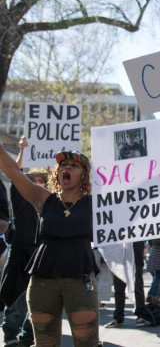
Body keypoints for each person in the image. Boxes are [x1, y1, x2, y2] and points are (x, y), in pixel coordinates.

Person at [0, 147, 101, 347]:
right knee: (45, 342)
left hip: (80, 280)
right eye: (63, 165)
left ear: (84, 174)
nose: (67, 168)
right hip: (42, 282)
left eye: (74, 165)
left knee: (86, 340)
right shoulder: (43, 198)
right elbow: (13, 172)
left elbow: (135, 193)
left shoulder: (97, 202)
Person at [0, 137, 42, 346]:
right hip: (20, 253)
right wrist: (23, 150)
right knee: (16, 298)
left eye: (42, 180)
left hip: (39, 255)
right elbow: (15, 172)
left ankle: (27, 335)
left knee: (36, 300)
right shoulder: (21, 198)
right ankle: (10, 335)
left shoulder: (49, 203)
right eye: (34, 180)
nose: (38, 183)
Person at [103, 241, 149, 328]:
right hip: (120, 259)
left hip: (135, 257)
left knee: (137, 286)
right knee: (118, 288)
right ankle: (118, 317)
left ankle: (141, 315)